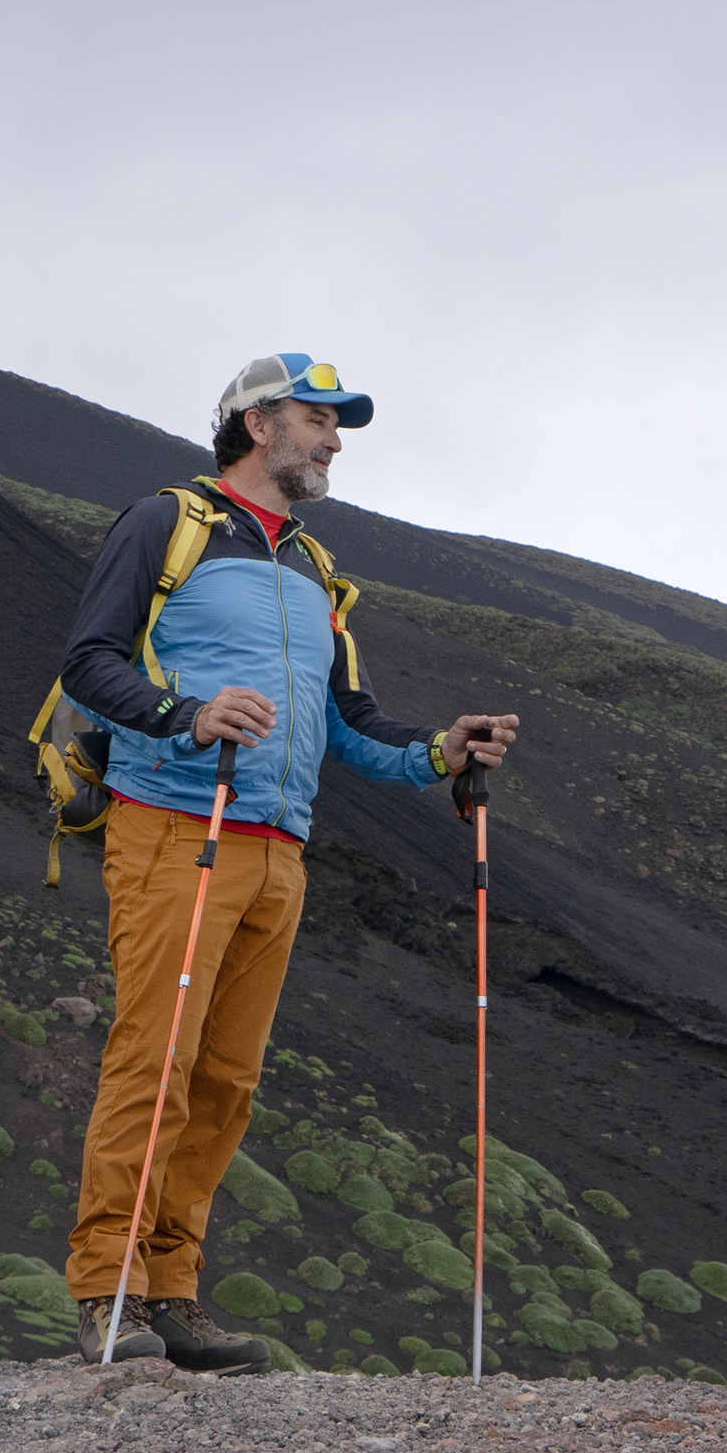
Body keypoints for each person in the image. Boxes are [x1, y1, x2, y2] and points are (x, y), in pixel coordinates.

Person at [53, 354, 516, 1369]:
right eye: (320, 419)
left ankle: (171, 1292)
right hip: (175, 823)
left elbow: (349, 724)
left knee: (225, 1078)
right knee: (157, 1058)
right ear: (260, 423)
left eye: (338, 425)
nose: (335, 440)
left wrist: (443, 748)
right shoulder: (166, 522)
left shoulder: (313, 567)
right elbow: (88, 658)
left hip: (277, 851)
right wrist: (186, 712)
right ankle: (109, 1290)